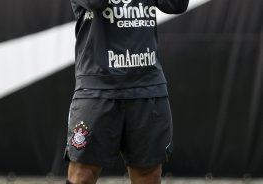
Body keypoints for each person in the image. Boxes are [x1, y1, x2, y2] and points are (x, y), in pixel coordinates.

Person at [64, 0, 189, 183]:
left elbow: (176, 4)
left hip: (146, 87)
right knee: (83, 174)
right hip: (97, 88)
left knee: (148, 175)